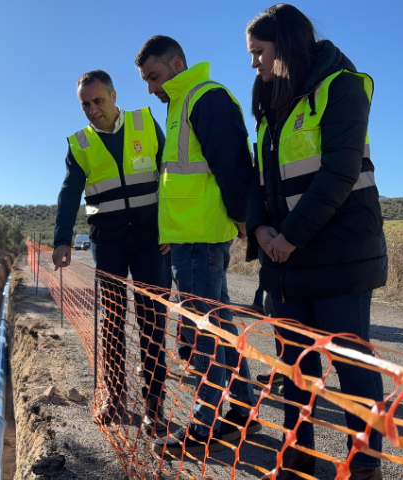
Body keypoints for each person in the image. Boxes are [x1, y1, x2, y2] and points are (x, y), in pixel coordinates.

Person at [245, 5, 387, 479]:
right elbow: (260, 181)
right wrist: (262, 229)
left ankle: (364, 465)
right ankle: (296, 458)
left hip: (339, 254)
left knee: (353, 368)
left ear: (284, 45)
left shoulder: (341, 87)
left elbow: (340, 172)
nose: (254, 64)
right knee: (293, 367)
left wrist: (289, 236)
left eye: (259, 53)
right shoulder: (271, 105)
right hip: (285, 259)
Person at [135, 35, 260, 457]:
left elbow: (233, 163)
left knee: (201, 329)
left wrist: (243, 218)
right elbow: (179, 180)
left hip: (201, 237)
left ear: (175, 63)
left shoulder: (206, 98)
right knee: (219, 323)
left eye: (154, 76)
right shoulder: (180, 104)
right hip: (189, 237)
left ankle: (205, 421)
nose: (151, 87)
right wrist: (169, 233)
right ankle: (242, 406)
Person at [51, 70, 170, 436]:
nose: (92, 110)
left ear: (115, 96)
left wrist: (172, 227)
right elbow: (70, 193)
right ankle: (115, 397)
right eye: (85, 104)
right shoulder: (79, 144)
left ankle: (154, 407)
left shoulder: (145, 123)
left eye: (98, 101)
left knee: (153, 323)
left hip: (153, 240)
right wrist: (62, 239)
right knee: (113, 322)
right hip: (110, 244)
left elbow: (170, 174)